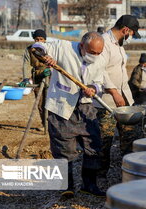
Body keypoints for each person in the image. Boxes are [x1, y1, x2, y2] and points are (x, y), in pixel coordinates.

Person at [32, 32, 106, 198]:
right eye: (91, 52)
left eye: (98, 53)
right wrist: (45, 57)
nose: (95, 56)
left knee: (93, 146)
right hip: (62, 107)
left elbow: (100, 82)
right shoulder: (63, 47)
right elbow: (37, 47)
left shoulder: (100, 59)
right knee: (63, 149)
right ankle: (67, 186)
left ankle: (90, 184)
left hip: (86, 107)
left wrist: (93, 88)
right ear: (81, 46)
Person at [95, 15, 141, 179]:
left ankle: (129, 173)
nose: (132, 37)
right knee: (105, 140)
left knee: (130, 138)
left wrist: (129, 99)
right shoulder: (104, 43)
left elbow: (120, 72)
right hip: (107, 102)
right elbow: (100, 70)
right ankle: (100, 177)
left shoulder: (119, 44)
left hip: (123, 100)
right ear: (125, 30)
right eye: (132, 34)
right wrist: (114, 92)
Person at [21, 29, 51, 131]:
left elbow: (56, 61)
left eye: (41, 39)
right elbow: (26, 64)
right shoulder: (29, 49)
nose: (39, 41)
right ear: (34, 39)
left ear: (45, 40)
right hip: (37, 77)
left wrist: (50, 70)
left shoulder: (50, 48)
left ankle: (52, 125)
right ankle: (44, 124)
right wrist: (25, 78)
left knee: (50, 102)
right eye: (37, 39)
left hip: (50, 77)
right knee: (40, 102)